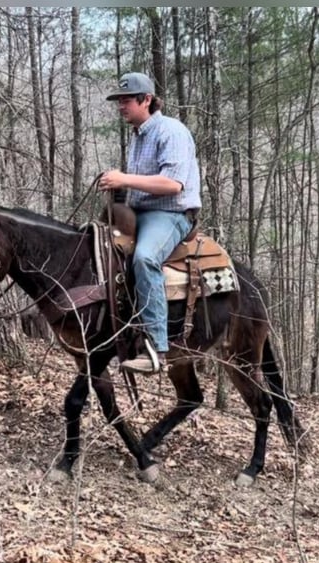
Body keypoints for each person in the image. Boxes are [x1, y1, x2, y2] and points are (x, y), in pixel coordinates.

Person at [99, 72, 202, 375]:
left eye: (126, 100)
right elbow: (140, 184)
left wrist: (124, 178)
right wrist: (117, 187)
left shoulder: (172, 131)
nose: (121, 106)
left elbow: (173, 184)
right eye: (119, 101)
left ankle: (157, 348)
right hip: (139, 211)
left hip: (171, 214)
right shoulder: (138, 136)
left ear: (146, 100)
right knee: (97, 251)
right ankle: (117, 333)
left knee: (144, 258)